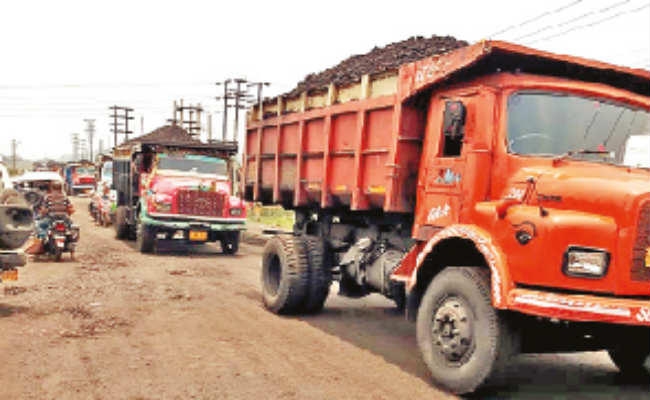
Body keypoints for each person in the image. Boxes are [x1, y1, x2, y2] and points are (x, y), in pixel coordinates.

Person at [25, 180, 75, 255]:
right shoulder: (65, 197)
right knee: (71, 228)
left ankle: (41, 243)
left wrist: (40, 215)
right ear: (61, 188)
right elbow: (70, 208)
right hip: (65, 218)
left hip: (51, 218)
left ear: (51, 188)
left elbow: (44, 210)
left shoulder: (48, 197)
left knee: (39, 226)